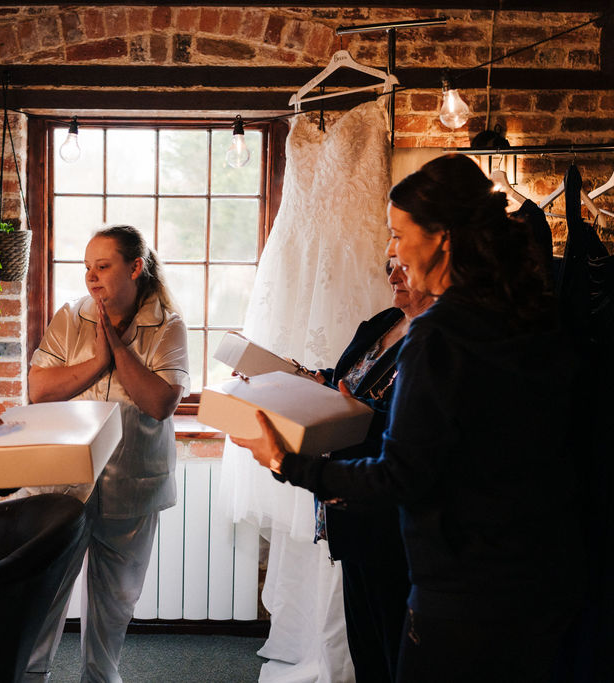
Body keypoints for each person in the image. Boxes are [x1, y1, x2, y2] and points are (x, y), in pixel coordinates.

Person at [232, 155, 583, 683]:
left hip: (460, 588)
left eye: (399, 234)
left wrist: (286, 461)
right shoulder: (525, 317)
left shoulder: (440, 334)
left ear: (442, 237)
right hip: (537, 574)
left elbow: (399, 476)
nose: (392, 250)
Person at [24, 224, 190, 683]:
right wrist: (96, 362)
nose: (91, 278)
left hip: (134, 484)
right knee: (45, 594)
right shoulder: (70, 316)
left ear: (135, 267)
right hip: (63, 485)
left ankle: (100, 679)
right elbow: (39, 390)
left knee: (115, 602)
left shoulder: (168, 326)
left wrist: (116, 349)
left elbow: (160, 402)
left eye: (103, 266)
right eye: (87, 268)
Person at [310, 258, 431, 683]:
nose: (393, 275)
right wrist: (303, 379)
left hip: (389, 510)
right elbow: (348, 381)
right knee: (363, 641)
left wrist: (355, 411)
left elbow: (412, 424)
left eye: (405, 265)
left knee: (392, 641)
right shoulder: (386, 321)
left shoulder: (436, 341)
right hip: (350, 508)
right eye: (389, 264)